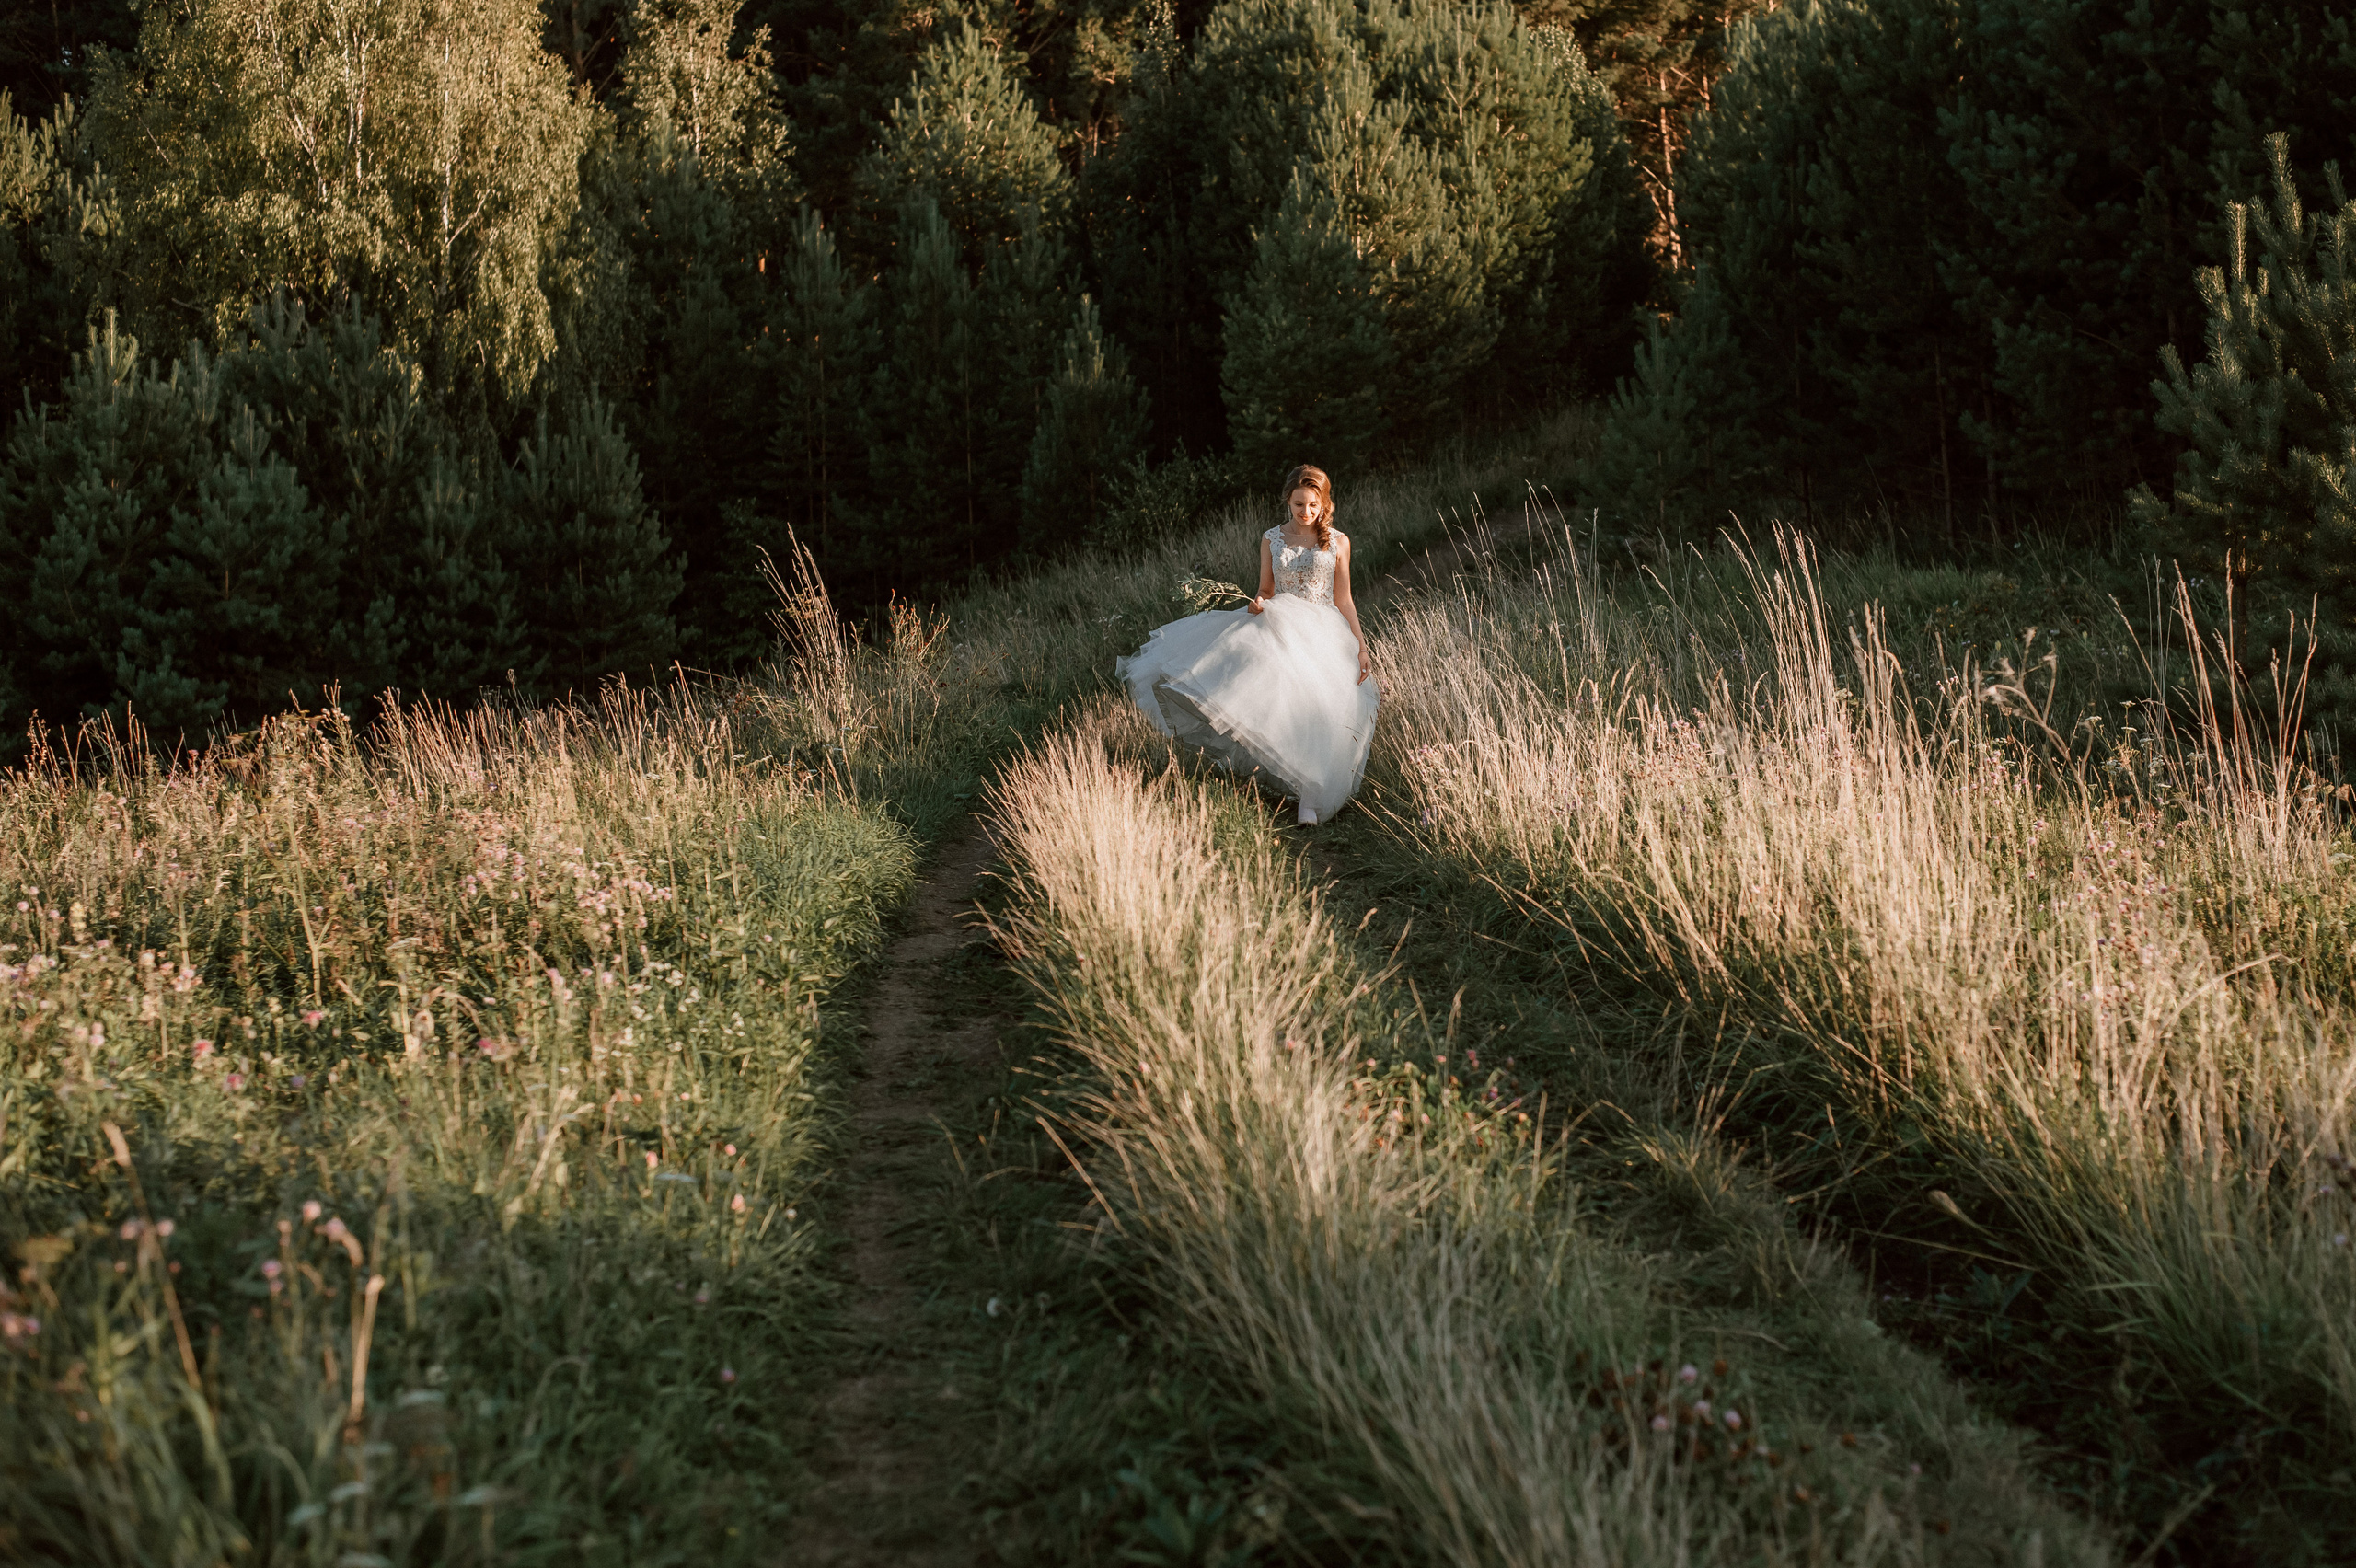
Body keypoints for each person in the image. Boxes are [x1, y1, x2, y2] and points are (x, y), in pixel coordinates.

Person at [1117, 463, 1380, 825]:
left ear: (1324, 504)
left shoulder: (1338, 541)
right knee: (1279, 703)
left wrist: (1361, 646)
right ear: (1287, 500)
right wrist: (1257, 603)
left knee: (1323, 706)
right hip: (1280, 622)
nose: (1306, 513)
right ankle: (1293, 779)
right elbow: (1266, 590)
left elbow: (1345, 599)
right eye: (1299, 504)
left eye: (1314, 506)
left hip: (1325, 630)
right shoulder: (1271, 537)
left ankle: (1312, 797)